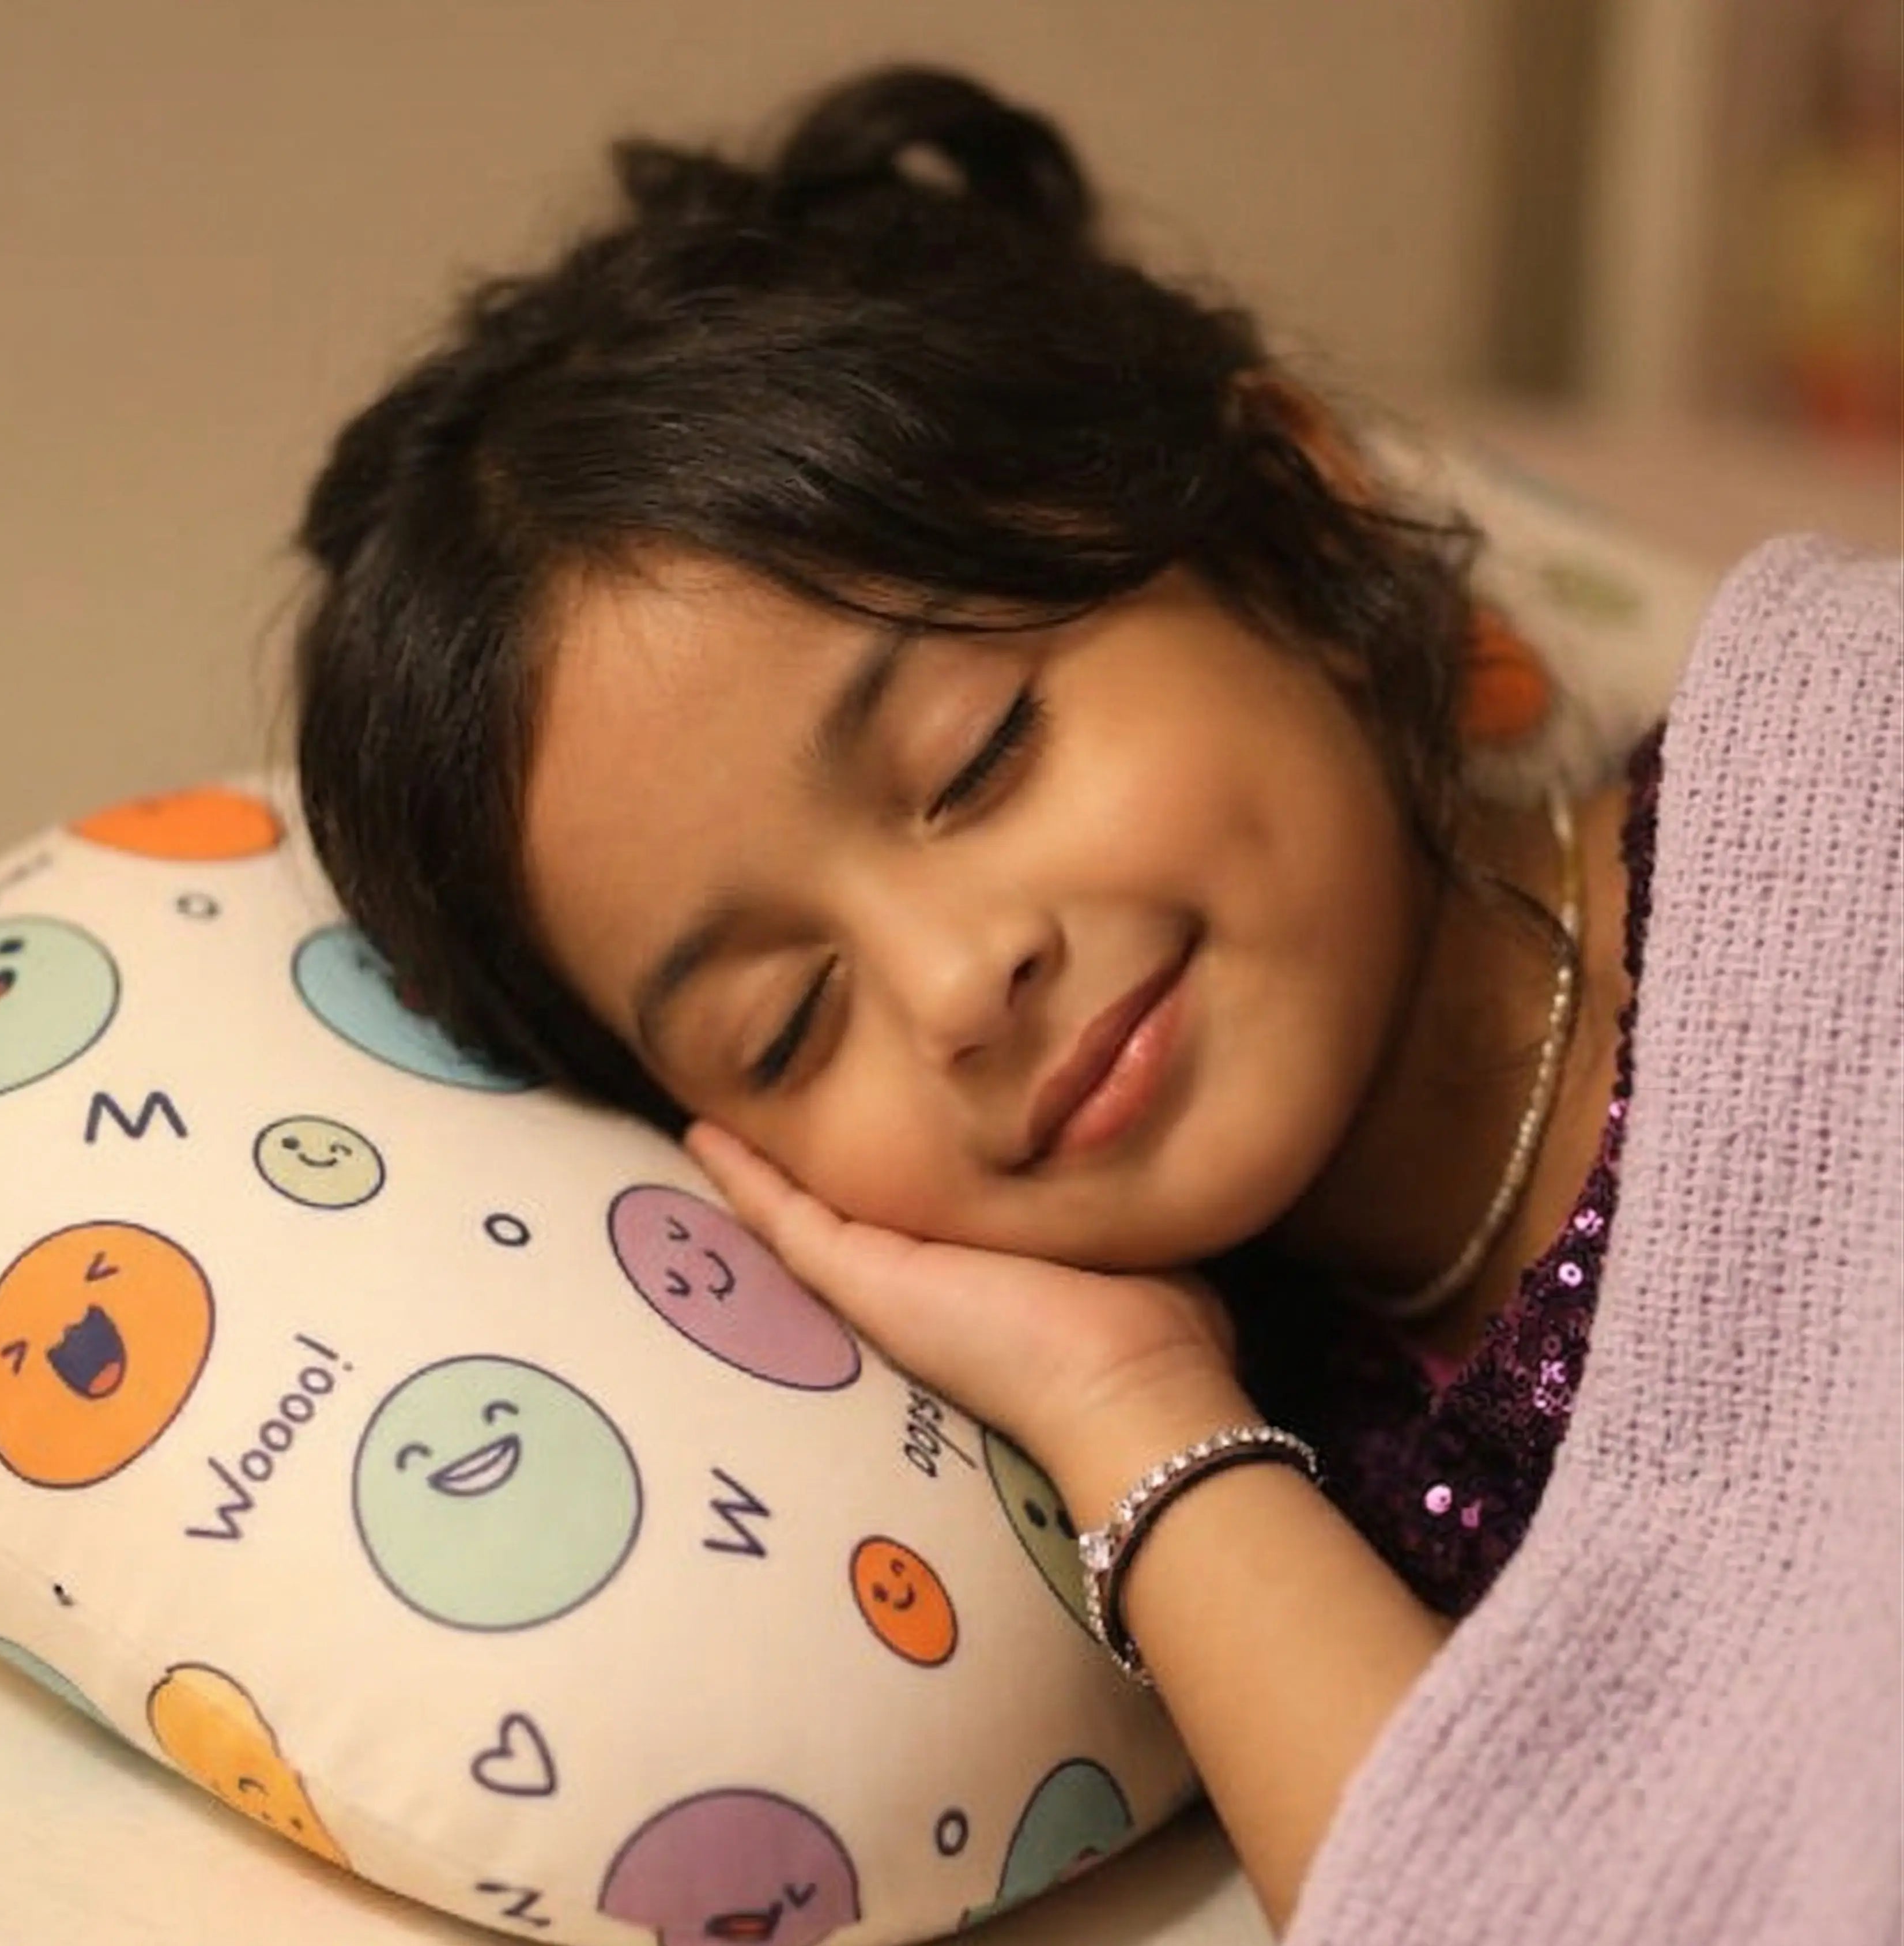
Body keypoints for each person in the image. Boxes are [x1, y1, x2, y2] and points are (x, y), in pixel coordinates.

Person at [292, 67, 1901, 1942]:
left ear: (1291, 504)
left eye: (981, 755)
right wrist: (1124, 1410)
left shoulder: (1850, 777)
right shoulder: (1293, 1487)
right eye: (790, 1025)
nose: (965, 982)